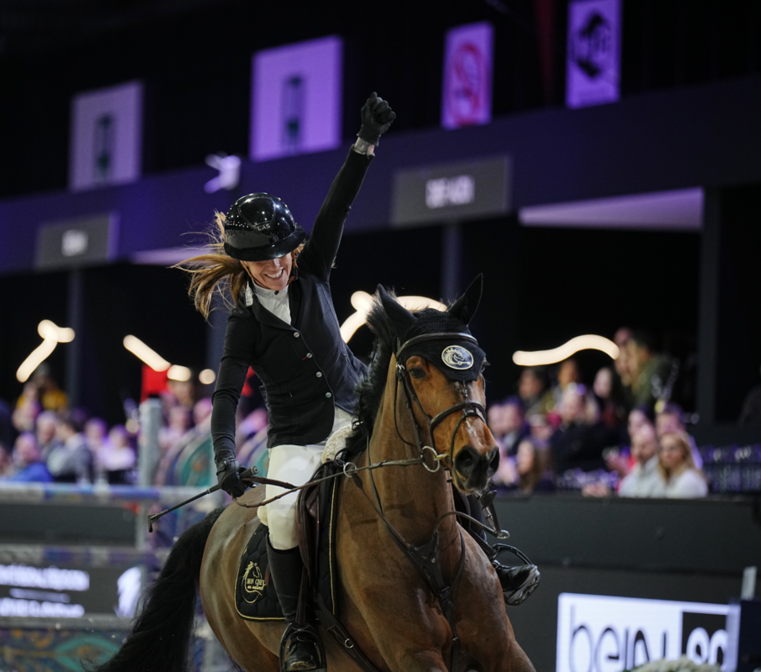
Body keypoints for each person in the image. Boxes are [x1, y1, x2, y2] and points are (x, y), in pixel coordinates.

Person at [181, 93, 535, 671]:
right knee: (281, 515)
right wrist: (224, 456)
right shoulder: (242, 324)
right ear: (244, 263)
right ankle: (299, 632)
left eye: (281, 254)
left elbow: (337, 207)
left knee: (440, 455)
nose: (278, 265)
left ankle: (493, 554)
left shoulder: (312, 267)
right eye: (264, 260)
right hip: (297, 438)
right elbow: (225, 394)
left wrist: (364, 144)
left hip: (359, 415)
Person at [617, 422, 666, 497]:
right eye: (634, 446)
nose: (638, 452)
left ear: (656, 446)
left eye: (643, 446)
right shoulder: (631, 477)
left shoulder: (664, 474)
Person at [658, 432, 708, 498]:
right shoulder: (673, 477)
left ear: (683, 451)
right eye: (662, 449)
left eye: (672, 448)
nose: (666, 454)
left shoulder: (688, 481)